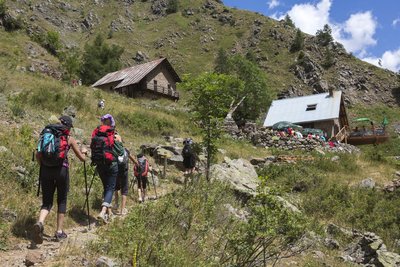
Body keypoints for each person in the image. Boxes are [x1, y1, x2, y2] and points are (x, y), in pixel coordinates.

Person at [33, 116, 87, 244]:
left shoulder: (46, 134)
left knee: (47, 202)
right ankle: (59, 232)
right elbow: (82, 159)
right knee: (62, 200)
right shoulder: (69, 139)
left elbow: (37, 153)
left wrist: (43, 165)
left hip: (46, 170)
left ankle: (40, 222)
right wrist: (84, 152)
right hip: (62, 171)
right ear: (68, 127)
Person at [91, 114, 121, 224]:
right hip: (111, 164)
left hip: (99, 163)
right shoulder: (113, 135)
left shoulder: (97, 132)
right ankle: (103, 212)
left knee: (106, 187)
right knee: (110, 188)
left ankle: (108, 215)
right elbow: (121, 152)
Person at [113, 142, 137, 215]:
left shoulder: (113, 150)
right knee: (124, 190)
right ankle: (122, 210)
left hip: (116, 171)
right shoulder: (125, 150)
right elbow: (133, 160)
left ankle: (116, 204)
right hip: (124, 172)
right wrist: (137, 164)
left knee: (116, 188)